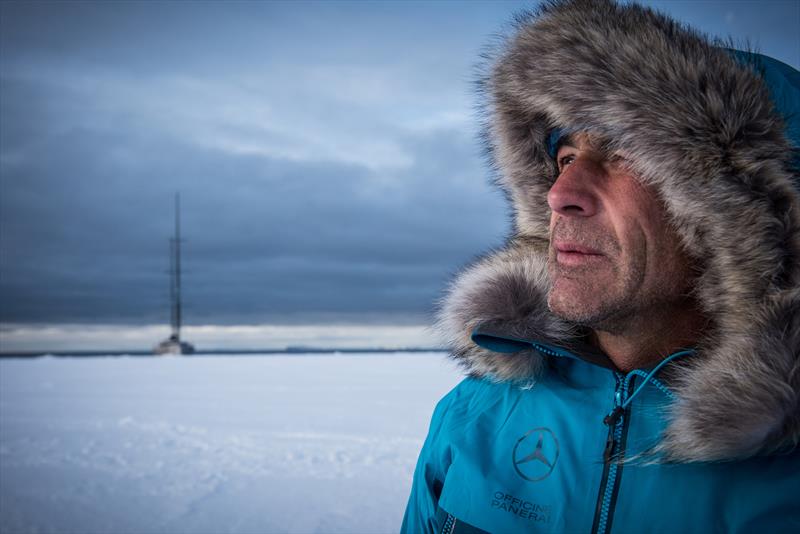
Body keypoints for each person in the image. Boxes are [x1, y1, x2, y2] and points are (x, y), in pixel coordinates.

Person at [401, 0, 800, 532]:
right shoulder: (475, 419)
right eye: (565, 159)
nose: (560, 193)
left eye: (625, 155)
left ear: (749, 218)